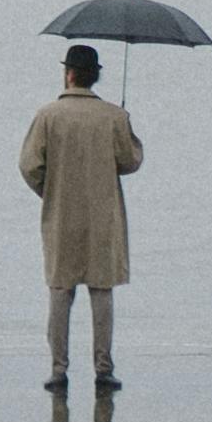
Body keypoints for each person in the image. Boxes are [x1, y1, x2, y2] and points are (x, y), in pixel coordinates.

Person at [20, 41, 142, 399]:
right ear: (96, 77)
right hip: (103, 218)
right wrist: (127, 126)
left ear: (68, 74)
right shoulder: (114, 117)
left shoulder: (47, 116)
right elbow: (130, 161)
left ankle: (58, 370)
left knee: (61, 291)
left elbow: (30, 166)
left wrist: (50, 193)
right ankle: (104, 370)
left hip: (61, 216)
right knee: (101, 291)